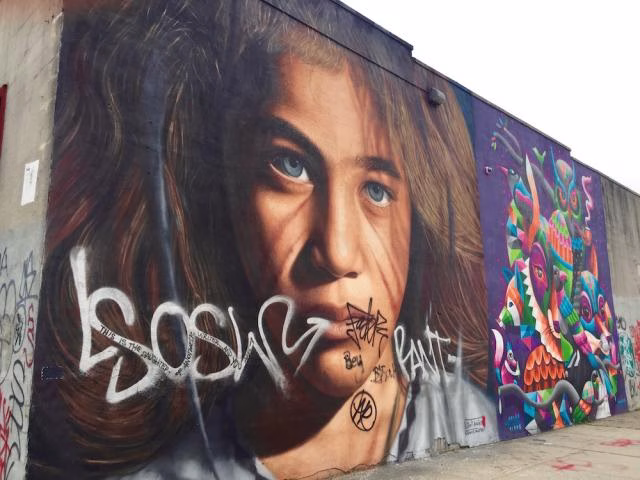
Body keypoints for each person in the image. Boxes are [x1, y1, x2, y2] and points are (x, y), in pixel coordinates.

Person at [28, 1, 495, 478]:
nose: (336, 252)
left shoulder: (468, 415)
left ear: (418, 221)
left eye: (376, 190)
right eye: (290, 166)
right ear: (226, 195)